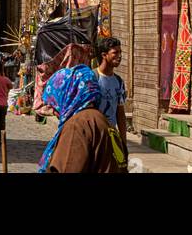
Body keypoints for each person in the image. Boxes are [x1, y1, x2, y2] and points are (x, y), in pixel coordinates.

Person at [38, 66, 122, 173]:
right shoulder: (103, 121)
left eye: (55, 102)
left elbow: (68, 167)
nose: (53, 110)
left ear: (68, 94)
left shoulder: (77, 126)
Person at [95, 36, 128, 165]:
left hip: (111, 137)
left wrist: (123, 143)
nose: (119, 56)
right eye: (115, 53)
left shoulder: (119, 82)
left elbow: (120, 113)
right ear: (104, 55)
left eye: (120, 53)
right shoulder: (93, 78)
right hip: (95, 136)